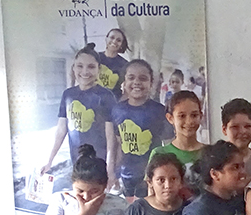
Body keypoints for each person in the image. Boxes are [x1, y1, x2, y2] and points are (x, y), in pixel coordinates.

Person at [41, 44, 116, 176]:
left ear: (99, 69)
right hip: (77, 163)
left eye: (91, 67)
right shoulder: (68, 95)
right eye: (80, 66)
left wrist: (110, 169)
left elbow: (111, 137)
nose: (85, 72)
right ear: (74, 68)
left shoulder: (105, 96)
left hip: (99, 164)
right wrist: (49, 161)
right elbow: (61, 130)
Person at [110, 59, 173, 198]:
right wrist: (114, 173)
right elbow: (119, 145)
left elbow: (169, 146)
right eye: (131, 78)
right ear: (124, 82)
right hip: (126, 176)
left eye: (143, 78)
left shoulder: (159, 111)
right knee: (131, 208)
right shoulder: (117, 110)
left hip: (153, 177)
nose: (137, 82)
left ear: (151, 83)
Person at [151, 91, 207, 195]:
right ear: (170, 118)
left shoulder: (210, 152)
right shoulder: (160, 153)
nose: (189, 121)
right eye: (182, 116)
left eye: (194, 115)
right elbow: (152, 194)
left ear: (201, 116)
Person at [220, 98, 251, 182]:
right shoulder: (214, 161)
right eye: (235, 127)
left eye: (248, 126)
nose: (242, 131)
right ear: (224, 130)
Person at [96, 28, 129, 97]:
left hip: (113, 100)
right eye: (112, 37)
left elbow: (128, 87)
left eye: (118, 40)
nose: (114, 41)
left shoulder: (125, 65)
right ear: (106, 39)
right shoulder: (94, 57)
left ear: (122, 44)